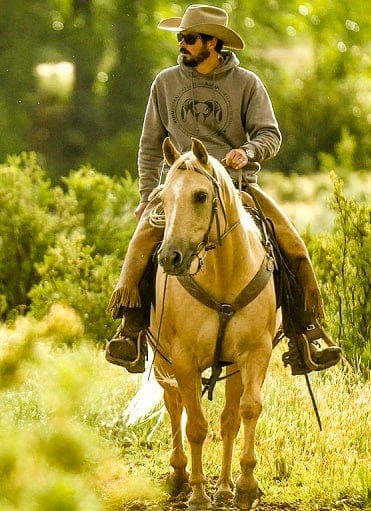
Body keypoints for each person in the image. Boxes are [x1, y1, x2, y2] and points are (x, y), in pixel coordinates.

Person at [104, 4, 341, 375]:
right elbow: (150, 144)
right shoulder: (164, 83)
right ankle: (131, 333)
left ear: (213, 43)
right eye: (181, 37)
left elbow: (270, 135)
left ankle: (304, 336)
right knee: (141, 244)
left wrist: (247, 152)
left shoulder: (247, 84)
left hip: (236, 187)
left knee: (293, 248)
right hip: (180, 189)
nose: (182, 43)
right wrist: (148, 194)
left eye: (191, 38)